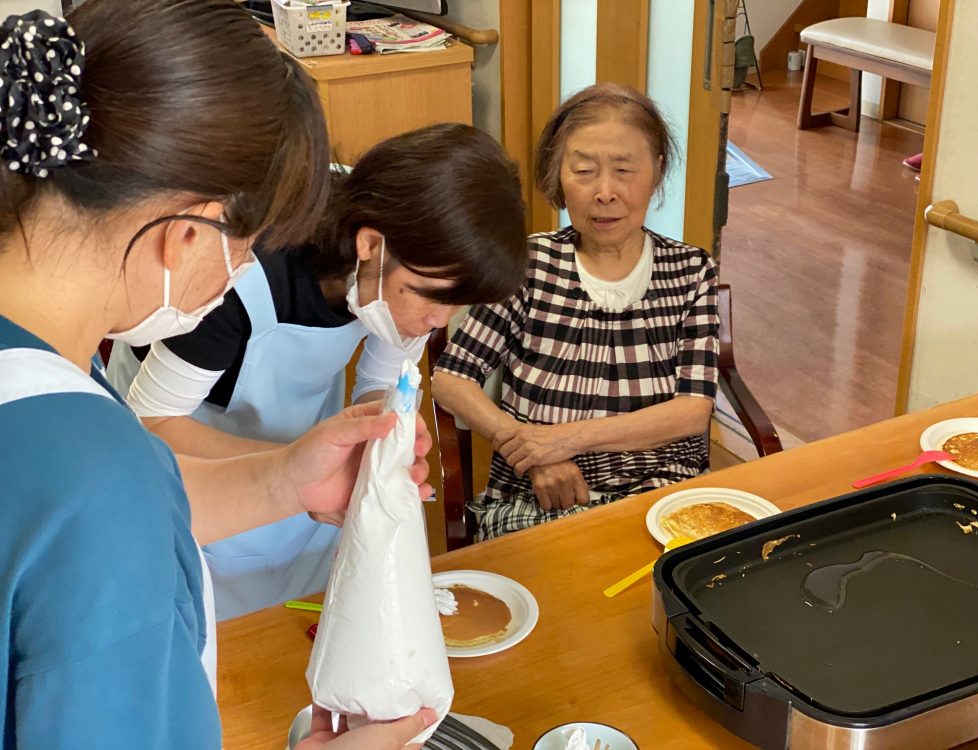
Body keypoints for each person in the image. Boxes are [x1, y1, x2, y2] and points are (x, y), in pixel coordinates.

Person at [0, 2, 434, 747]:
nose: (238, 273)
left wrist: (288, 480)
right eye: (248, 245)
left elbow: (116, 517)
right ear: (187, 233)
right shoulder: (96, 475)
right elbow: (108, 515)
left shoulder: (48, 382)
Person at [106, 124, 527, 619]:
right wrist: (301, 468)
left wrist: (381, 441)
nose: (438, 321)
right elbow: (151, 424)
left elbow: (380, 383)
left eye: (457, 304)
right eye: (431, 297)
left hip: (302, 480)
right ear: (369, 244)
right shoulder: (239, 275)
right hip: (196, 485)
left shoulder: (401, 255)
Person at [432, 83, 720, 539]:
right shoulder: (528, 265)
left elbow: (692, 411)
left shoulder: (691, 270)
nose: (605, 192)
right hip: (538, 495)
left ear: (657, 170)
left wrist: (565, 439)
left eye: (624, 170)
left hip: (663, 491)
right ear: (558, 175)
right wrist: (532, 456)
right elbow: (450, 378)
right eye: (584, 170)